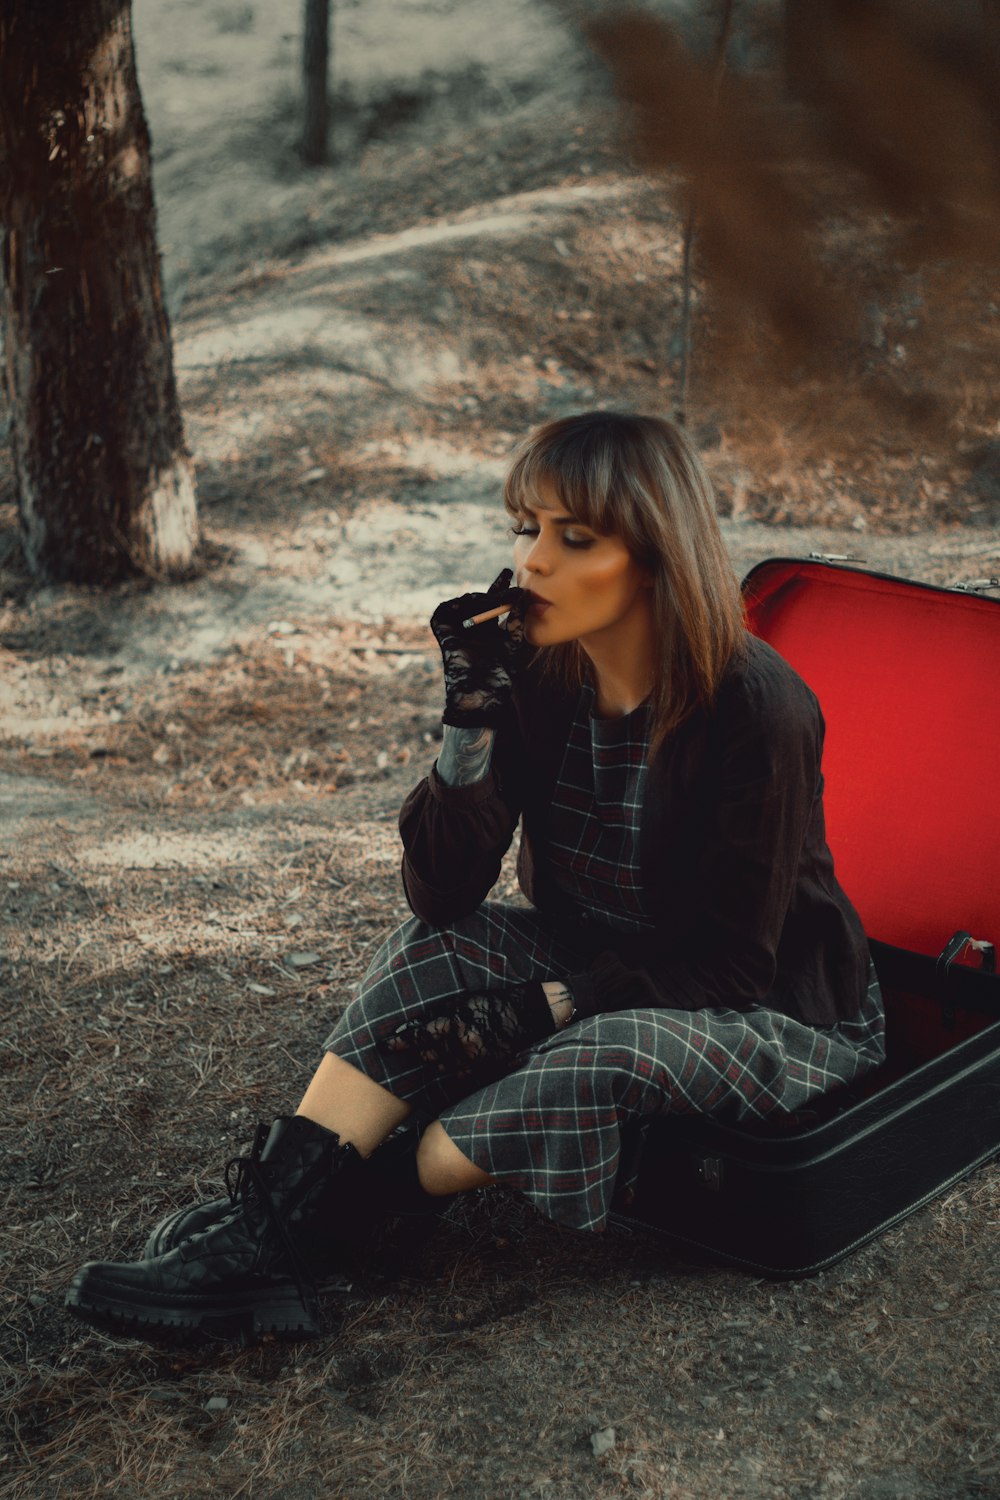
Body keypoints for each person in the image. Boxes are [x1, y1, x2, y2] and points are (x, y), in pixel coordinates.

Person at [65, 411, 885, 1342]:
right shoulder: (538, 672)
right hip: (604, 952)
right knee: (429, 949)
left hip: (776, 1008)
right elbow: (443, 896)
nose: (533, 561)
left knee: (606, 1053)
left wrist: (552, 1004)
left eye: (574, 538)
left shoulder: (759, 710)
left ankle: (350, 1211)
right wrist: (470, 720)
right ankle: (273, 1224)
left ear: (656, 557)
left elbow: (736, 963)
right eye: (525, 528)